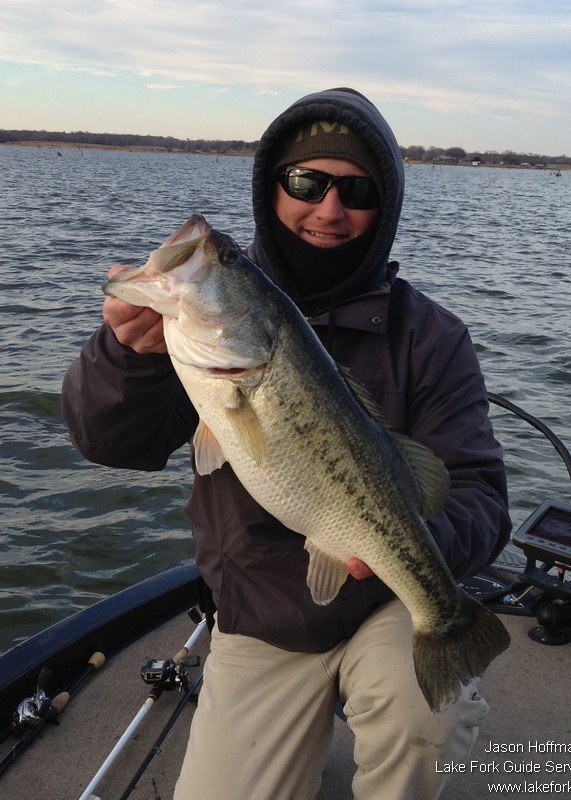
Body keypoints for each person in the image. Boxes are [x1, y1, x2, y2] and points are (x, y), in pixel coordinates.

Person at [62, 87, 511, 799]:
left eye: (357, 191)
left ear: (385, 207)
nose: (329, 210)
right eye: (305, 182)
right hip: (259, 614)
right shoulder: (200, 341)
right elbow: (109, 442)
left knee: (424, 718)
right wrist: (129, 358)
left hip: (385, 605)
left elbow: (480, 494)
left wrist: (413, 546)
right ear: (272, 188)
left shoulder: (433, 337)